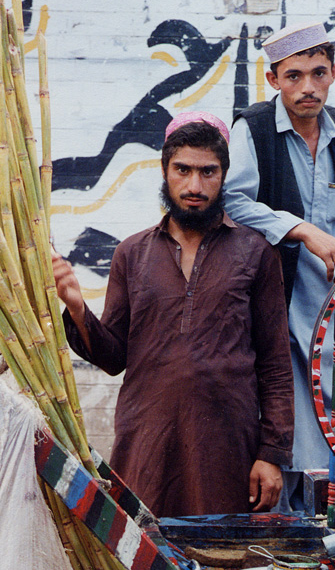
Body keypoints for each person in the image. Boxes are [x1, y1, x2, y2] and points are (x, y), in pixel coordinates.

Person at [52, 112, 294, 518]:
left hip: (227, 443)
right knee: (145, 555)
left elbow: (275, 366)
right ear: (164, 171)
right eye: (182, 170)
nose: (194, 186)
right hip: (147, 437)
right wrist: (76, 307)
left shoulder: (256, 253)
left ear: (224, 175)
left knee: (221, 559)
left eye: (208, 172)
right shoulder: (132, 253)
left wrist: (271, 454)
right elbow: (114, 357)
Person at [223, 21, 335, 511]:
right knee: (288, 396)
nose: (307, 87)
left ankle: (332, 515)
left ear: (334, 73)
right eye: (293, 76)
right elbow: (232, 198)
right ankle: (295, 518)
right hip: (279, 292)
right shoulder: (253, 127)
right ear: (273, 80)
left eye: (317, 74)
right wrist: (301, 229)